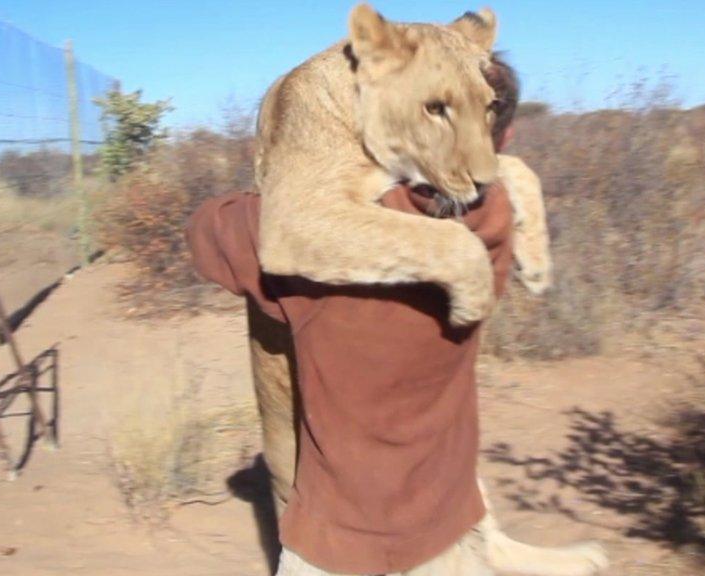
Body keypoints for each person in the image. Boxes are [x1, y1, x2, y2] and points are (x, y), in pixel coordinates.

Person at [186, 58, 519, 576]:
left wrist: (302, 161)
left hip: (339, 541)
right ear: (506, 136)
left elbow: (207, 231)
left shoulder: (316, 262)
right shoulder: (497, 224)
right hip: (445, 524)